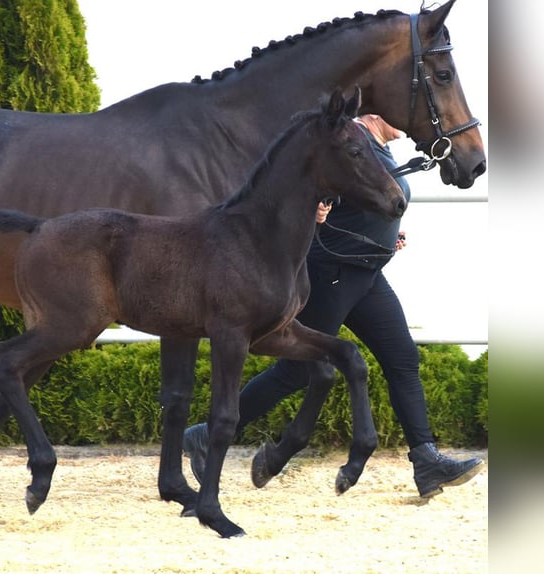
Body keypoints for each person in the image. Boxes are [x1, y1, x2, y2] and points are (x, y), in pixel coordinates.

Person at [183, 114, 483, 498]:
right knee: (296, 371)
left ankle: (425, 461)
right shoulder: (349, 145)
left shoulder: (381, 151)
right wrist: (317, 211)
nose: (405, 120)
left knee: (403, 358)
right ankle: (205, 436)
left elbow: (371, 201)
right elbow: (307, 189)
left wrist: (388, 234)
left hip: (368, 274)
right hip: (334, 274)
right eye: (394, 113)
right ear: (375, 114)